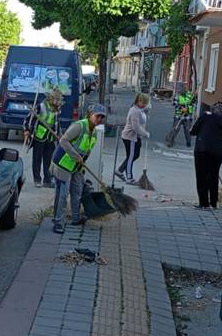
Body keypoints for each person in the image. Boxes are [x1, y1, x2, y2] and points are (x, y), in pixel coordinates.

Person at [50, 103, 107, 234]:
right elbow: (63, 141)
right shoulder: (79, 126)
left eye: (102, 117)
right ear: (90, 114)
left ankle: (75, 218)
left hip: (76, 166)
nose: (99, 119)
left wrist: (81, 166)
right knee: (62, 194)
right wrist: (75, 156)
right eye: (97, 116)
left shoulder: (95, 133)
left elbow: (87, 151)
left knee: (77, 191)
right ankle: (58, 222)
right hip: (63, 164)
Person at [191, 103, 222, 208]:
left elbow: (193, 131)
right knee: (213, 176)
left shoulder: (205, 117)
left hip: (202, 150)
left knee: (201, 176)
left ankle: (203, 203)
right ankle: (213, 203)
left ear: (212, 110)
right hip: (217, 153)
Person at [23, 89, 63, 188]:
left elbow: (57, 123)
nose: (58, 102)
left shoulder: (56, 109)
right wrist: (27, 130)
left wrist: (60, 134)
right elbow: (29, 119)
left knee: (49, 159)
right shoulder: (40, 107)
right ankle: (37, 179)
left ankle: (47, 180)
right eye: (56, 100)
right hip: (39, 136)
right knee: (37, 158)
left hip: (50, 137)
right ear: (50, 99)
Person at [116, 93, 150, 184]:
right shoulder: (135, 111)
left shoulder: (140, 110)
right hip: (130, 137)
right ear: (138, 101)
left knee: (135, 155)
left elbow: (142, 122)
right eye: (143, 102)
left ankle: (120, 170)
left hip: (136, 137)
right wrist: (145, 134)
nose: (144, 105)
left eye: (145, 103)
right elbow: (136, 127)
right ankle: (129, 177)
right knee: (131, 157)